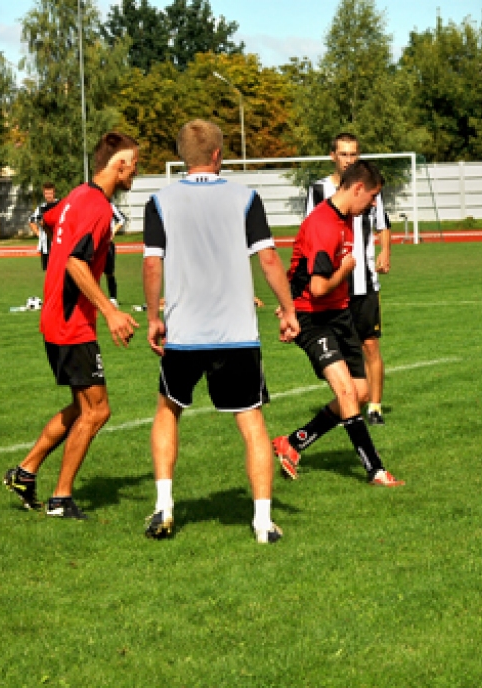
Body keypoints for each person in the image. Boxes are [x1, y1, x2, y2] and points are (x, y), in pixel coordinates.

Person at [141, 119, 300, 544]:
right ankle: (263, 523)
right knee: (252, 423)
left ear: (182, 157)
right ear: (217, 154)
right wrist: (287, 309)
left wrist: (155, 317)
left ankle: (164, 508)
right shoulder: (246, 197)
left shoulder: (160, 201)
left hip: (185, 333)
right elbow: (268, 259)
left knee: (167, 411)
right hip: (237, 333)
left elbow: (152, 263)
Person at [3, 133, 141, 519]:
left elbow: (49, 222)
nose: (136, 171)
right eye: (135, 164)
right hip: (72, 323)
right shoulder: (97, 207)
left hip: (55, 317)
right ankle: (61, 499)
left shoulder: (75, 196)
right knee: (97, 412)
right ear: (119, 165)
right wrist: (111, 312)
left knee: (82, 407)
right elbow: (76, 264)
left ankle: (25, 472)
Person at [272, 160, 404, 487]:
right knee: (345, 390)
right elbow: (317, 287)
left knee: (359, 392)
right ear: (357, 188)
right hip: (312, 318)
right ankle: (375, 469)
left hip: (339, 312)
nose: (374, 203)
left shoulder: (346, 216)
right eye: (372, 196)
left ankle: (292, 442)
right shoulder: (324, 226)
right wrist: (345, 271)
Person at [305, 133, 392, 426]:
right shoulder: (319, 191)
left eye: (354, 154)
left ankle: (375, 407)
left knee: (370, 345)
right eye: (344, 154)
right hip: (333, 285)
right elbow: (310, 233)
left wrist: (385, 252)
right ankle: (348, 403)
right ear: (333, 156)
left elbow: (383, 226)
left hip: (364, 281)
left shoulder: (369, 190)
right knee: (340, 351)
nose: (349, 159)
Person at [29, 182, 60, 271]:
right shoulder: (41, 208)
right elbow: (31, 221)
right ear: (43, 194)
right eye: (46, 193)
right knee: (48, 272)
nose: (48, 196)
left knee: (59, 272)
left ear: (54, 193)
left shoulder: (60, 205)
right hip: (46, 247)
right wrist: (39, 234)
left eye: (50, 193)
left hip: (59, 245)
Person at [102, 203, 125, 305]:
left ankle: (113, 298)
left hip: (107, 244)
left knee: (109, 272)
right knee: (91, 273)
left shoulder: (109, 205)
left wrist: (113, 232)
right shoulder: (89, 204)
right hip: (93, 244)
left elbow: (122, 219)